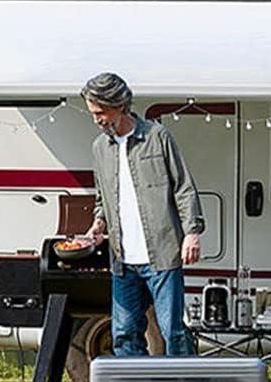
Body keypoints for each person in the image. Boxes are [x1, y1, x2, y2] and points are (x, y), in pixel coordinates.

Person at [82, 72, 204, 357]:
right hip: (122, 259)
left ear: (119, 105)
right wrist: (98, 223)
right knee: (123, 333)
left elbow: (183, 186)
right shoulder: (100, 148)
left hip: (162, 253)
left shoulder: (156, 136)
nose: (97, 119)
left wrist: (192, 233)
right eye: (93, 114)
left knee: (172, 329)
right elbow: (103, 196)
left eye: (100, 112)